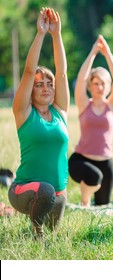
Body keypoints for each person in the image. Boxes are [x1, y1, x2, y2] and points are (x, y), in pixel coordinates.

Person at [8, 7, 70, 237]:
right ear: (31, 91)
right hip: (24, 190)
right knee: (45, 191)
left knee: (55, 200)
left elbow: (62, 72)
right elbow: (27, 71)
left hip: (57, 193)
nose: (46, 87)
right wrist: (41, 33)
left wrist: (57, 34)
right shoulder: (24, 112)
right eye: (39, 84)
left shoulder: (60, 111)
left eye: (49, 83)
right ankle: (36, 235)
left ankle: (43, 232)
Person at [68, 35, 113, 207]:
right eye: (96, 83)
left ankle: (88, 200)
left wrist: (107, 54)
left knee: (102, 207)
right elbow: (81, 78)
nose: (100, 87)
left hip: (106, 162)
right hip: (81, 161)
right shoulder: (84, 104)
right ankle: (85, 199)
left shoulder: (112, 106)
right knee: (94, 178)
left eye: (103, 84)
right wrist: (93, 53)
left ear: (108, 86)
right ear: (90, 86)